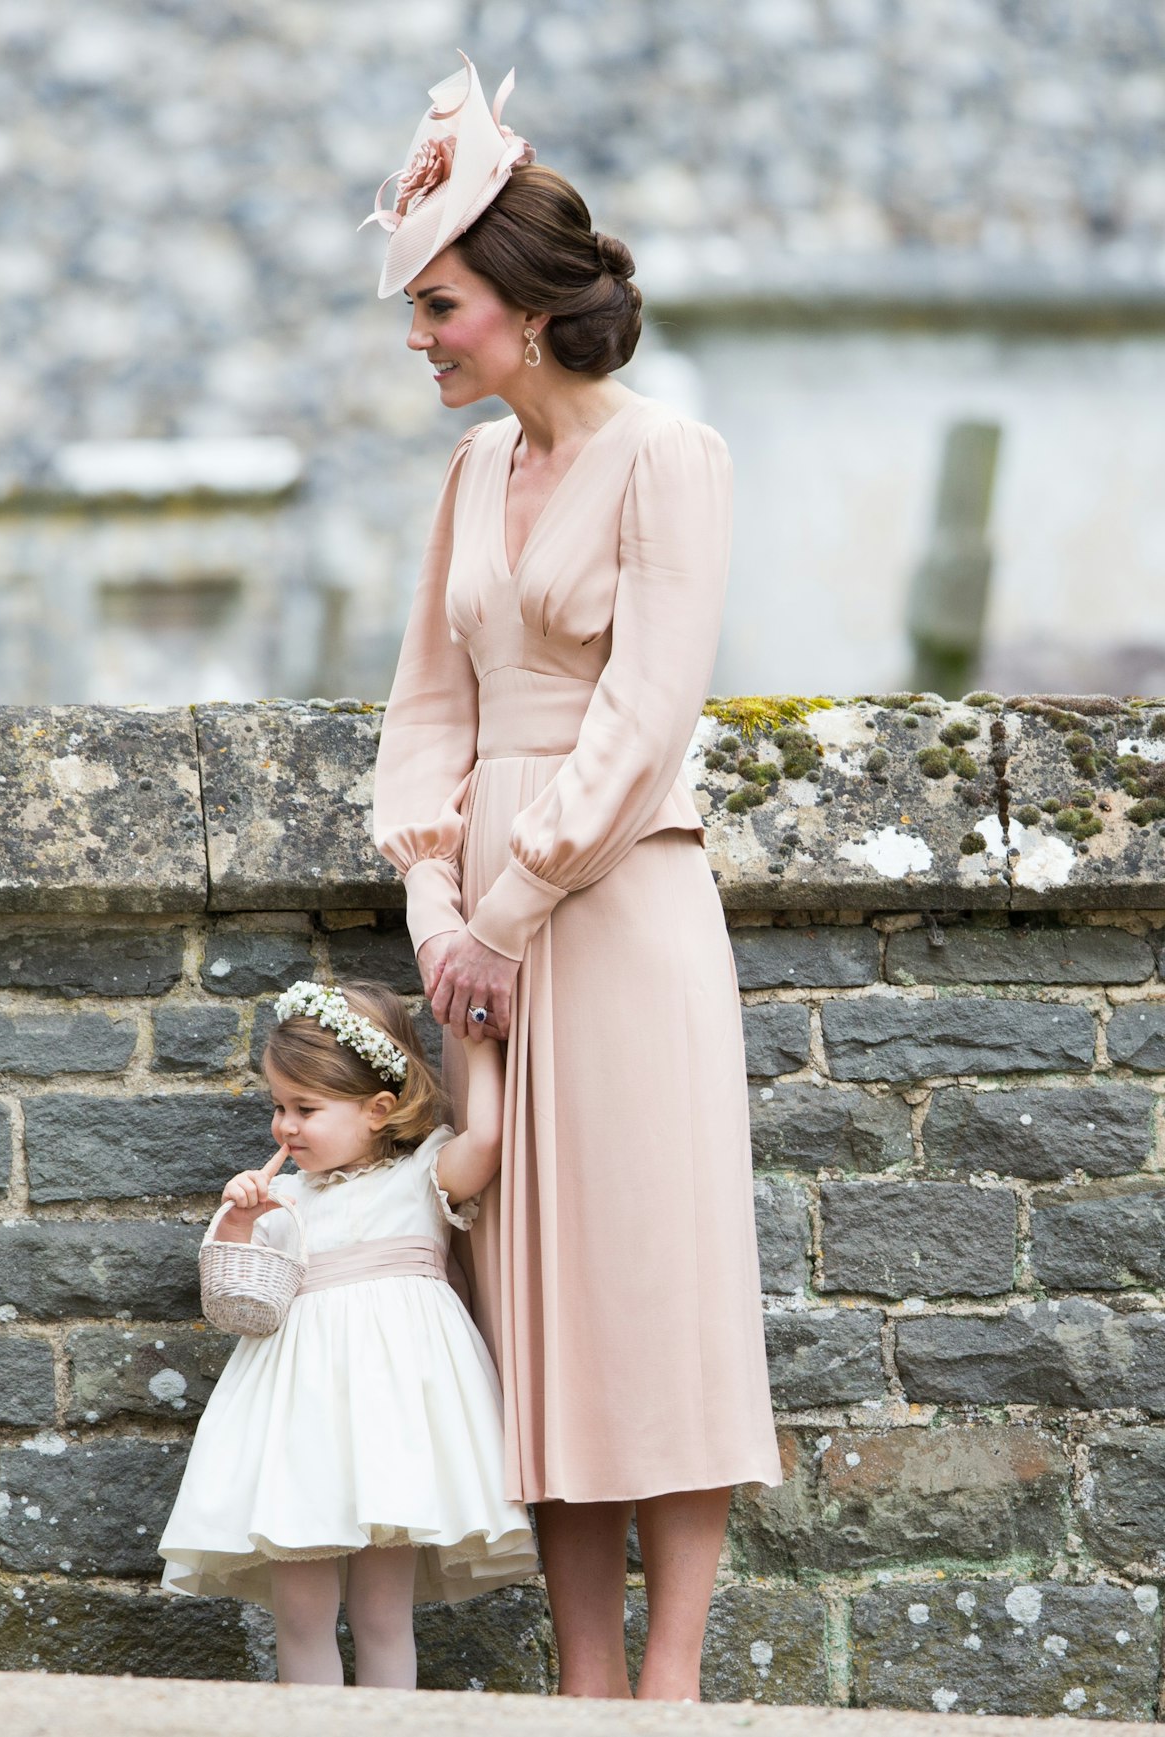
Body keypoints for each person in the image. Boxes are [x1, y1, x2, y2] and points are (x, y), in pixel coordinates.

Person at [367, 55, 783, 1702]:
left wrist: (511, 909)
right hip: (478, 926)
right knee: (530, 1301)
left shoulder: (673, 458)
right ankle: (584, 1683)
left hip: (618, 915)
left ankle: (670, 1682)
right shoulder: (470, 480)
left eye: (440, 305)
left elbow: (644, 714)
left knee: (654, 1286)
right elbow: (424, 709)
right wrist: (437, 911)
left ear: (524, 308)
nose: (420, 338)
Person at [156, 977, 538, 1689]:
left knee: (383, 1613)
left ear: (378, 1109)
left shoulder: (426, 1170)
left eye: (306, 1107)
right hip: (302, 1429)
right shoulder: (284, 1198)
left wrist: (477, 1034)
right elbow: (239, 1301)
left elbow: (487, 1137)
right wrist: (240, 1218)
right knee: (300, 1614)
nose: (284, 1126)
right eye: (278, 1106)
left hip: (395, 1428)